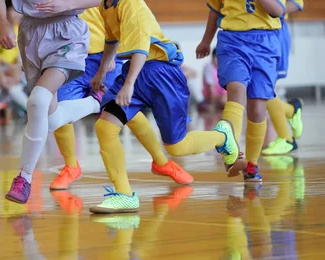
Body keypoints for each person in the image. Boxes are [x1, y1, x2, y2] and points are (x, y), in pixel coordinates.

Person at [88, 0, 243, 214]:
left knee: (176, 147)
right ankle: (124, 195)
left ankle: (222, 137)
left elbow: (141, 49)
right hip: (137, 71)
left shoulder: (129, 4)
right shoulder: (104, 6)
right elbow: (111, 39)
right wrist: (102, 72)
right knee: (105, 127)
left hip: (162, 74)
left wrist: (129, 84)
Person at [50, 7, 193, 191]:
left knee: (126, 110)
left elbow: (116, 20)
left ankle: (161, 161)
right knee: (59, 110)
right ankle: (71, 166)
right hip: (71, 57)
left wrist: (111, 54)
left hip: (104, 56)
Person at [0, 0, 109, 204]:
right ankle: (94, 103)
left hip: (66, 32)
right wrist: (3, 23)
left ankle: (24, 178)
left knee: (37, 101)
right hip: (30, 33)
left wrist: (65, 5)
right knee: (51, 119)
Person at [196, 0, 286, 181]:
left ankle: (251, 165)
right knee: (236, 90)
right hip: (233, 41)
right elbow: (215, 10)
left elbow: (278, 10)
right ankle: (232, 154)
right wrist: (206, 41)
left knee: (258, 109)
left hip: (265, 42)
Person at [262, 0, 304, 155]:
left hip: (274, 32)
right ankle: (291, 110)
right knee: (258, 89)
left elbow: (297, 4)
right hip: (253, 34)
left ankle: (286, 138)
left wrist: (270, 8)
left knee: (264, 88)